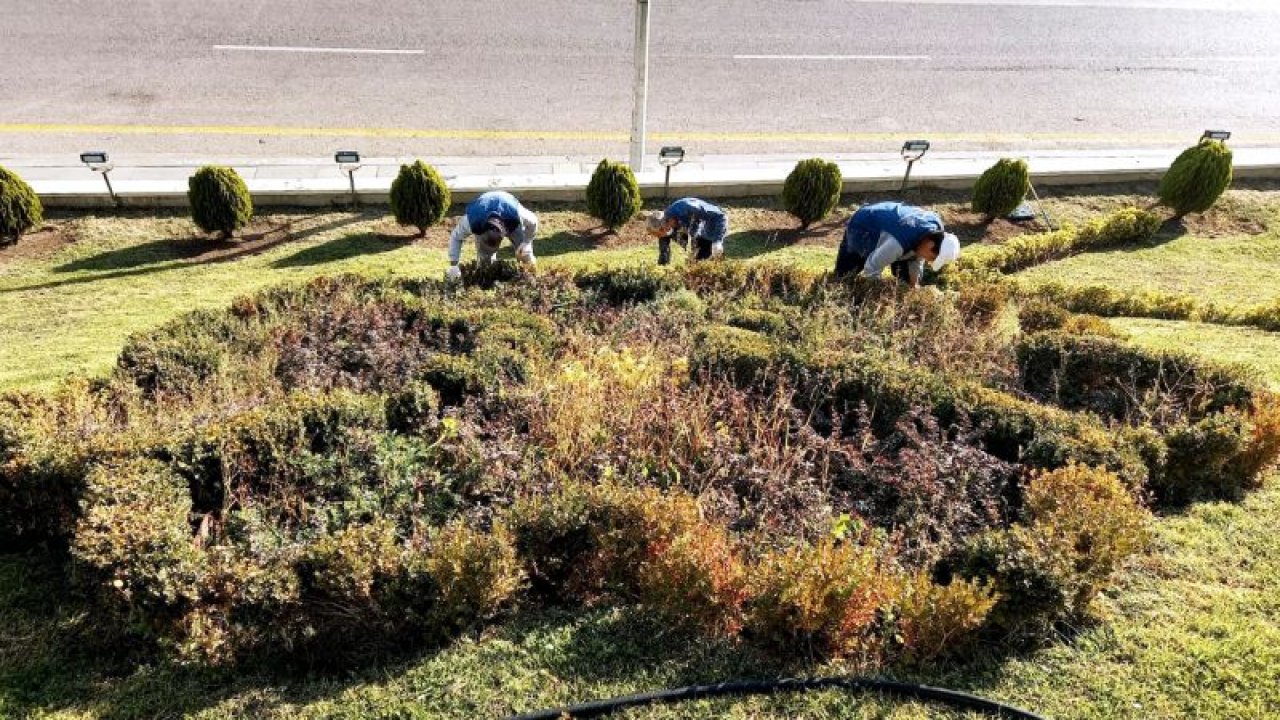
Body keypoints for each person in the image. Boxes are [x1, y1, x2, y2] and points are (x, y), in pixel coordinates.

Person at [835, 201, 961, 286]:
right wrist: (877, 294)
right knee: (843, 277)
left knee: (908, 278)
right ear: (930, 245)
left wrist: (913, 286)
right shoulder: (896, 244)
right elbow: (872, 268)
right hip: (863, 225)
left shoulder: (936, 229)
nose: (930, 261)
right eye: (932, 258)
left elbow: (918, 257)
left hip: (895, 228)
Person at [446, 191, 538, 281]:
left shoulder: (517, 215)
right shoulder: (472, 221)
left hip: (508, 212)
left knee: (525, 253)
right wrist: (454, 264)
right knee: (485, 262)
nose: (493, 249)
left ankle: (531, 279)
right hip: (481, 211)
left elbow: (534, 222)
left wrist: (527, 241)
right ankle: (488, 281)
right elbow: (455, 237)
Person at [644, 197, 728, 265]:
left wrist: (717, 240)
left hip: (714, 222)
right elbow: (664, 244)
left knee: (709, 256)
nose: (660, 237)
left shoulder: (687, 208)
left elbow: (720, 216)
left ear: (663, 227)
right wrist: (663, 264)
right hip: (697, 229)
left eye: (659, 234)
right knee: (696, 262)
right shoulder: (665, 222)